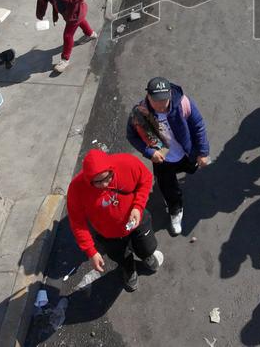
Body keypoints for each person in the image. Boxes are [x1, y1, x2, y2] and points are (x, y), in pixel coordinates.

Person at [66, 148, 163, 293]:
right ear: (88, 179)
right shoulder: (76, 189)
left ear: (111, 169)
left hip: (137, 221)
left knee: (147, 247)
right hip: (110, 235)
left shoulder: (126, 162)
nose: (105, 184)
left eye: (108, 178)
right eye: (98, 182)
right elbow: (77, 223)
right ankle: (129, 270)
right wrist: (91, 251)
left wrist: (138, 206)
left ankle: (146, 256)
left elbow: (146, 179)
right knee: (122, 257)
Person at [126, 77, 210, 235]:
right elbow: (131, 136)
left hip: (186, 153)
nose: (161, 105)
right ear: (148, 96)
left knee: (192, 169)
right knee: (168, 188)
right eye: (156, 100)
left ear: (170, 94)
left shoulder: (183, 103)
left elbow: (198, 126)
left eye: (164, 100)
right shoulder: (140, 113)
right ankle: (175, 210)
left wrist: (203, 152)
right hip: (162, 158)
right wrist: (149, 152)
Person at [36, 0, 97, 73]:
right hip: (68, 13)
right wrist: (40, 12)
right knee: (81, 21)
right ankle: (91, 34)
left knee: (67, 35)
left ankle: (65, 60)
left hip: (75, 13)